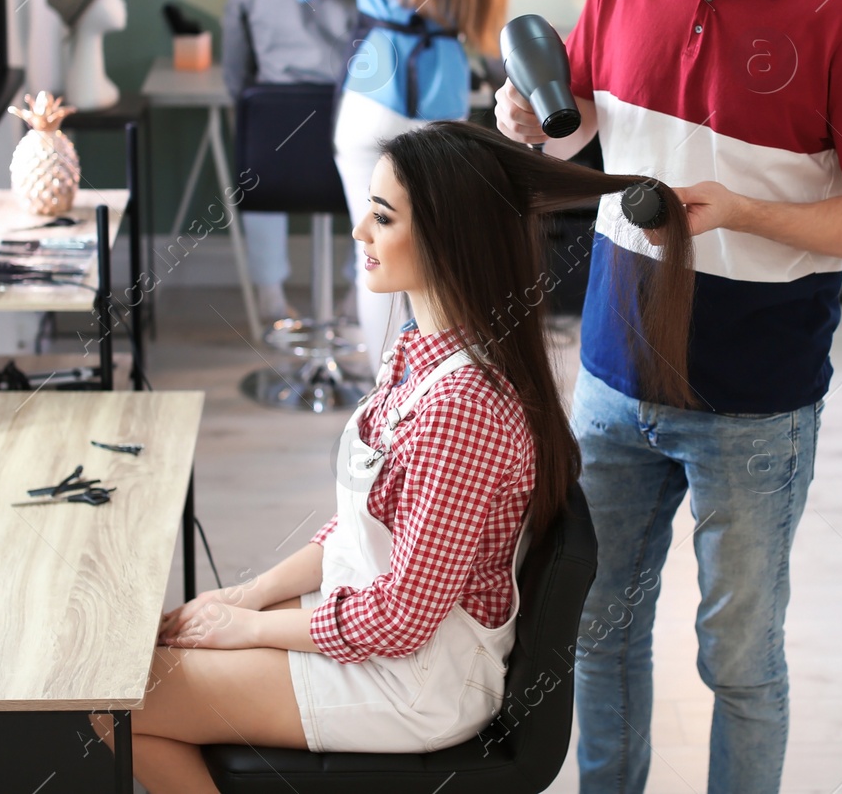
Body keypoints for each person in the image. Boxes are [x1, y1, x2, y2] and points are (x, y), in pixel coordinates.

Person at [495, 0, 842, 794]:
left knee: (735, 661)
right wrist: (532, 124)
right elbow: (586, 120)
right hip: (608, 372)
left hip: (752, 400)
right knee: (596, 630)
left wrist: (741, 212)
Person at [86, 120, 696, 794]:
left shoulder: (462, 408)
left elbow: (401, 619)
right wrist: (245, 598)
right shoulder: (415, 348)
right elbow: (360, 529)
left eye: (382, 217)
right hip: (388, 641)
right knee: (137, 669)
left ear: (445, 235)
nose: (359, 234)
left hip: (415, 678)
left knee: (117, 698)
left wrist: (247, 627)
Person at [287, 0, 513, 365]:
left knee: (377, 256)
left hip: (372, 93)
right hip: (443, 99)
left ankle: (384, 406)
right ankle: (435, 398)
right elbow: (485, 31)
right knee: (435, 264)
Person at [223, 0, 363, 322]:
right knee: (378, 163)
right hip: (348, 128)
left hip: (274, 142)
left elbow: (234, 66)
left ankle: (270, 294)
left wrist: (247, 100)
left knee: (256, 136)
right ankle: (355, 296)